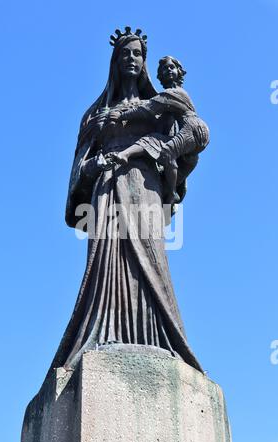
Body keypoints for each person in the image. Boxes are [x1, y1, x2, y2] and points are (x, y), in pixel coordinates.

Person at [48, 28, 203, 376]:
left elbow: (194, 138)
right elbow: (78, 175)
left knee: (151, 258)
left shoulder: (159, 109)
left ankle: (157, 338)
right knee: (107, 259)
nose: (131, 59)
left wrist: (169, 163)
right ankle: (105, 333)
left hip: (144, 189)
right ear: (114, 62)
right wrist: (98, 164)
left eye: (137, 54)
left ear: (144, 62)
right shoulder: (95, 114)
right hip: (106, 191)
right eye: (124, 54)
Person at [106, 56, 210, 204]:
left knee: (167, 152)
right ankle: (168, 189)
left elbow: (148, 108)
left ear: (179, 72)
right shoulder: (173, 95)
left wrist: (122, 115)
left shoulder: (174, 93)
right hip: (197, 135)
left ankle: (171, 192)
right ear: (159, 76)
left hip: (193, 127)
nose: (168, 70)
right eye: (164, 69)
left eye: (171, 67)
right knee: (158, 143)